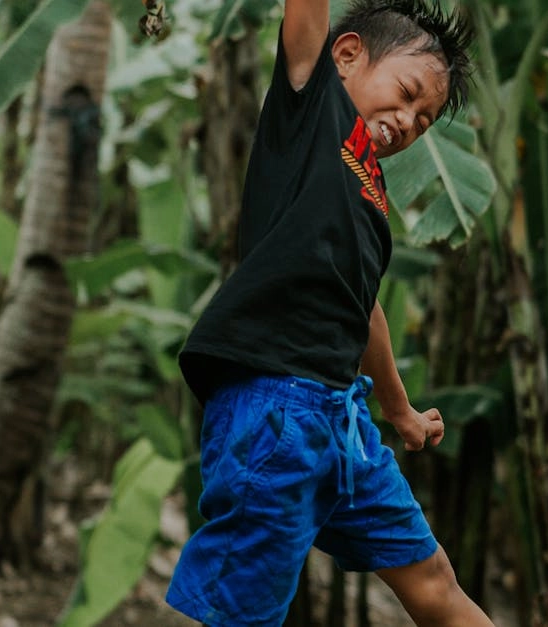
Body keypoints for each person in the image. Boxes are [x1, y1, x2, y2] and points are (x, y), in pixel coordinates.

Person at [165, 0, 496, 624]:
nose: (409, 122)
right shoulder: (313, 106)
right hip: (275, 408)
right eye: (406, 94)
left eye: (424, 121)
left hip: (343, 421)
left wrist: (399, 410)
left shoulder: (371, 191)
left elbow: (362, 307)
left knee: (433, 581)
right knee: (243, 616)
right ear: (346, 56)